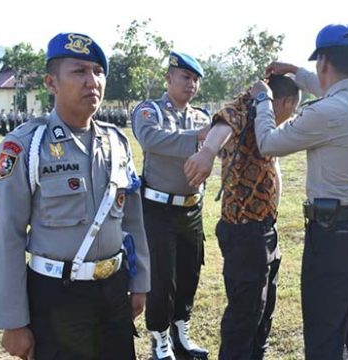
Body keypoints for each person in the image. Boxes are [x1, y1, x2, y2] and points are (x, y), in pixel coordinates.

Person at [0, 32, 150, 360]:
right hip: (56, 296)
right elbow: (7, 235)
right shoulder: (25, 146)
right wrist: (14, 322)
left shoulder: (116, 142)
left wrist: (141, 280)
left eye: (98, 71)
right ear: (51, 82)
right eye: (79, 71)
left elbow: (132, 220)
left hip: (114, 289)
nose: (92, 81)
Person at [252, 23, 348, 360]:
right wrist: (294, 72)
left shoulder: (324, 113)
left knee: (325, 333)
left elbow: (268, 143)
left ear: (324, 62)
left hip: (335, 237)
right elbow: (330, 88)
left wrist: (263, 102)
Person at [184, 74, 300, 359]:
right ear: (284, 102)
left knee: (263, 311)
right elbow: (224, 122)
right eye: (293, 108)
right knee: (244, 315)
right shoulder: (247, 105)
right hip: (245, 231)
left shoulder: (266, 120)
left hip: (265, 230)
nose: (293, 116)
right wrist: (208, 152)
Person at [131, 51, 211, 360]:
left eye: (195, 80)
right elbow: (152, 139)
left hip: (191, 208)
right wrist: (199, 138)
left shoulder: (202, 116)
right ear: (169, 78)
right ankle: (160, 340)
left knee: (190, 272)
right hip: (158, 209)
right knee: (161, 277)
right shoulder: (149, 111)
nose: (191, 84)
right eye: (185, 77)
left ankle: (181, 333)